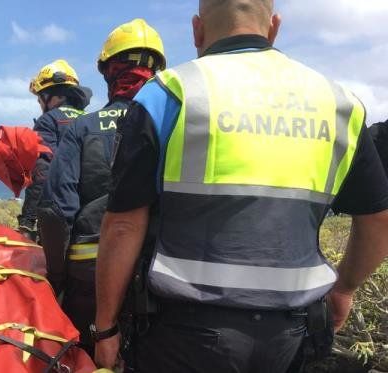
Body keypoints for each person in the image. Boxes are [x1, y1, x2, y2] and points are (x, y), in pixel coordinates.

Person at [94, 1, 388, 372]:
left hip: (183, 338)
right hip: (292, 336)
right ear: (274, 27)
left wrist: (104, 328)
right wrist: (344, 286)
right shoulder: (339, 104)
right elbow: (378, 218)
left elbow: (123, 225)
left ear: (197, 30)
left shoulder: (169, 93)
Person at [38, 19, 166, 355]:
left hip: (89, 281)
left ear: (108, 72)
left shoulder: (82, 128)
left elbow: (55, 212)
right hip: (160, 279)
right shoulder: (175, 125)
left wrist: (56, 279)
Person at [19, 60, 91, 240]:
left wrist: (28, 221)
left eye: (40, 97)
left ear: (54, 95)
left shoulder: (48, 121)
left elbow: (42, 173)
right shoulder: (91, 121)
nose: (40, 103)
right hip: (91, 218)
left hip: (59, 219)